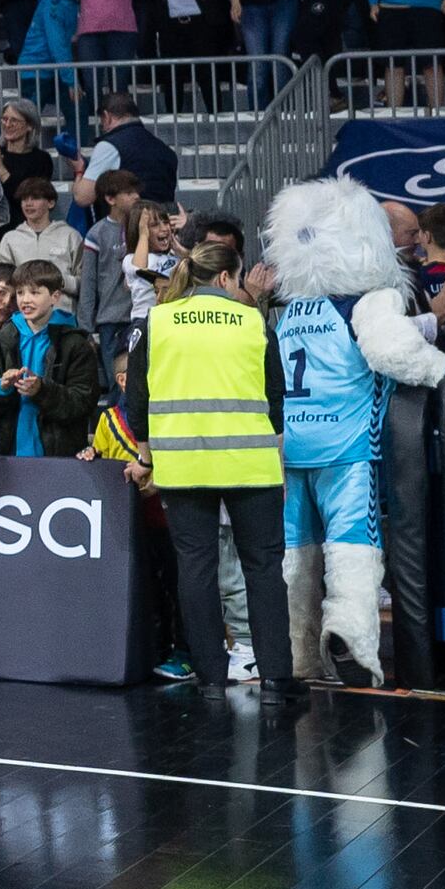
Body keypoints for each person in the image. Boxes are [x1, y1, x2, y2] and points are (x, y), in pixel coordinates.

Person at [119, 232, 284, 691]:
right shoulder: (252, 321)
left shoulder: (158, 320)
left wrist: (146, 457)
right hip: (251, 466)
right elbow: (275, 399)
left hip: (184, 466)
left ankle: (211, 676)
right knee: (264, 569)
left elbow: (136, 397)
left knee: (196, 569)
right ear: (228, 275)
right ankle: (276, 676)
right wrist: (278, 457)